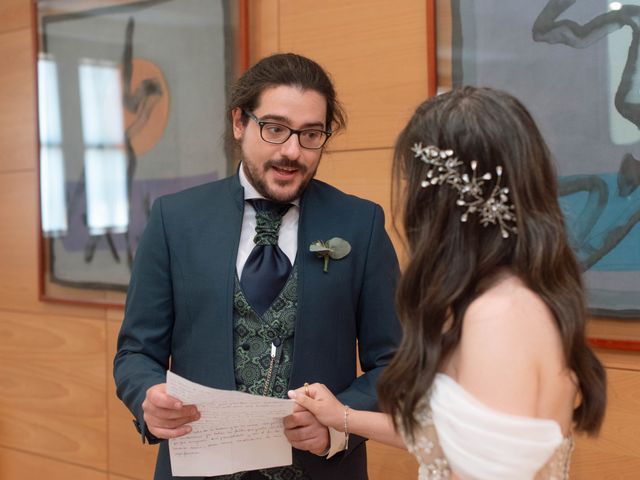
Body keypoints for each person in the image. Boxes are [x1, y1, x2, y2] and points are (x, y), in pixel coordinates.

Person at [288, 86, 607, 479]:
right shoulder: (518, 296)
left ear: (437, 198)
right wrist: (344, 417)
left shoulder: (497, 316)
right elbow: (461, 440)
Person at [113, 53, 401, 480]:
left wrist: (341, 422)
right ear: (238, 123)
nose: (292, 151)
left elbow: (396, 363)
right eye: (275, 129)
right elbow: (136, 352)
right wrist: (148, 397)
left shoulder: (361, 225)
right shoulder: (175, 219)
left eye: (311, 134)